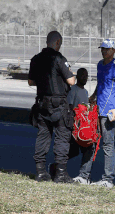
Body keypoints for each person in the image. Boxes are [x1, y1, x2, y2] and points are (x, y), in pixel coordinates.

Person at [28, 31, 76, 183]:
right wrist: (71, 74)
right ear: (57, 42)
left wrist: (44, 82)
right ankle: (61, 174)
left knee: (43, 136)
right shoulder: (59, 58)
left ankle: (41, 172)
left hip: (42, 104)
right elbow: (71, 81)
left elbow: (30, 82)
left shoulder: (35, 59)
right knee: (62, 138)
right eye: (60, 43)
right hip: (59, 105)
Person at [89, 39, 115, 188]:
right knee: (92, 142)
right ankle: (85, 175)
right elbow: (100, 83)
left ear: (114, 50)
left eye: (107, 49)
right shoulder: (99, 65)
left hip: (109, 112)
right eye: (102, 48)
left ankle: (108, 179)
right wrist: (93, 96)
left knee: (108, 145)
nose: (104, 51)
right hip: (97, 110)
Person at [66, 68, 95, 185]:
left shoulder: (86, 92)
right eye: (83, 75)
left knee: (89, 148)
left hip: (84, 126)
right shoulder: (73, 90)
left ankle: (84, 175)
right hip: (75, 126)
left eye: (86, 76)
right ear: (77, 76)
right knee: (72, 151)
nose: (85, 78)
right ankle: (58, 166)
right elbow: (70, 107)